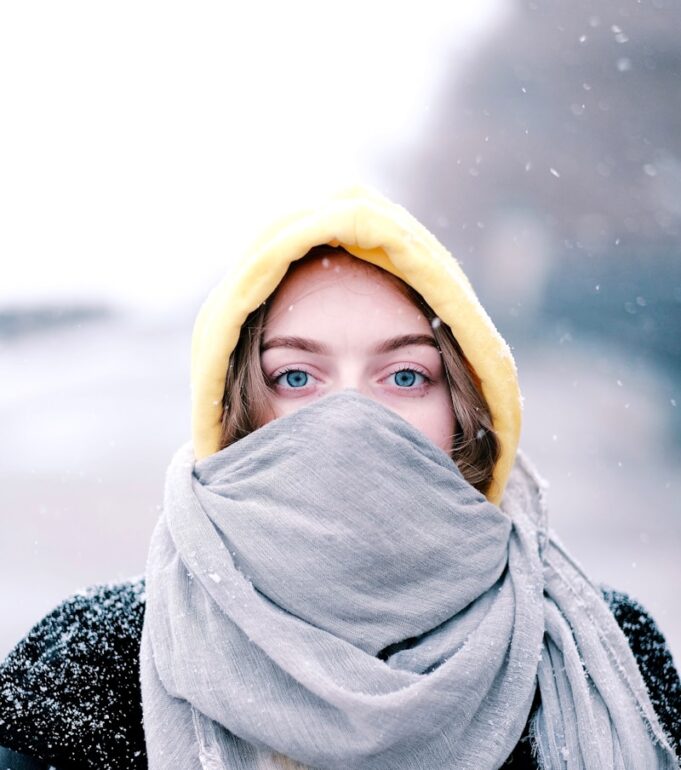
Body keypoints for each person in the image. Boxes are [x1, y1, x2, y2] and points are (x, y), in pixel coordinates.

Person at [0, 186, 679, 769]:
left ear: (466, 414)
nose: (350, 420)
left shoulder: (599, 656)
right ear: (233, 414)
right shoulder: (88, 669)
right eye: (296, 377)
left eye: (405, 376)